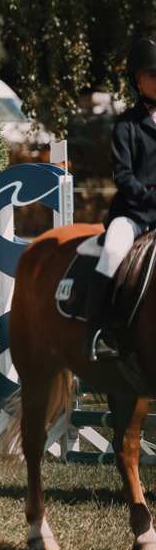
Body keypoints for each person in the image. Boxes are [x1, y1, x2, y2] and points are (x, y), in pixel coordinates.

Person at [86, 36, 156, 361]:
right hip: (133, 214)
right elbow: (124, 177)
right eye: (153, 75)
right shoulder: (127, 124)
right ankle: (98, 333)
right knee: (113, 252)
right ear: (137, 81)